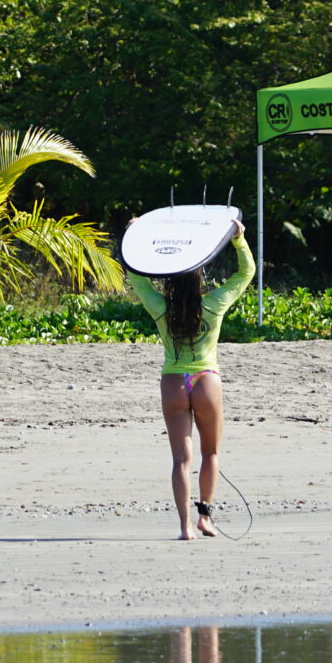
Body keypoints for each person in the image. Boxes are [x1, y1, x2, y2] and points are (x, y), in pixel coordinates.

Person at [128, 223, 254, 540]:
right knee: (210, 453)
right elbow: (245, 274)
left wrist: (135, 238)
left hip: (173, 381)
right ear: (199, 278)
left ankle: (184, 526)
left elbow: (137, 278)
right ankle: (205, 518)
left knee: (181, 460)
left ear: (170, 281)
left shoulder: (160, 308)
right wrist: (239, 240)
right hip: (206, 381)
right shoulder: (214, 303)